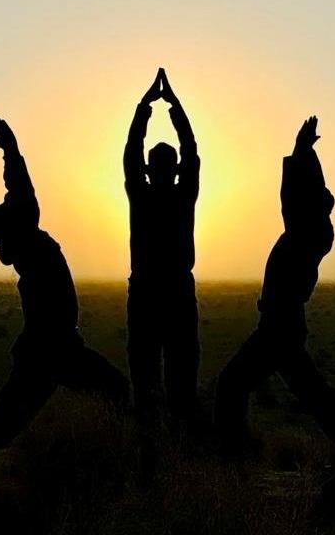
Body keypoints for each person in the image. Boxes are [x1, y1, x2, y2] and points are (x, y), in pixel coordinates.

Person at [0, 118, 129, 465]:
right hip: (53, 349)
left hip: (52, 348)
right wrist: (11, 151)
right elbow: (23, 191)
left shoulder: (24, 243)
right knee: (112, 391)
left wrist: (11, 152)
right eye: (3, 208)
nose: (8, 204)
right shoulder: (26, 237)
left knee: (4, 423)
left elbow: (21, 194)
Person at [214, 117, 335, 465]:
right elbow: (301, 193)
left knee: (232, 385)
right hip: (283, 324)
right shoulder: (312, 231)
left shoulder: (307, 234)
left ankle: (233, 454)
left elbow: (293, 196)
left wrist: (301, 151)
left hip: (279, 325)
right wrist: (305, 152)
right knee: (310, 392)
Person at [124, 68, 201, 450]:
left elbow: (130, 151)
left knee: (151, 377)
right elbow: (191, 149)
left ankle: (156, 450)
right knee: (172, 376)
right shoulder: (182, 193)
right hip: (169, 292)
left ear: (151, 169)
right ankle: (172, 450)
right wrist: (171, 104)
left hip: (151, 291)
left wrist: (146, 108)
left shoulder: (141, 193)